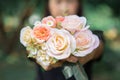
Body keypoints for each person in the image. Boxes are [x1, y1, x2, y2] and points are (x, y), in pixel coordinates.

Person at [32, 0, 105, 80]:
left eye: (70, 1)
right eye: (58, 1)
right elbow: (28, 49)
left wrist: (88, 51)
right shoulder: (38, 32)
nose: (64, 8)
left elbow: (99, 47)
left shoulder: (89, 34)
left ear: (79, 4)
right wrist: (39, 55)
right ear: (48, 3)